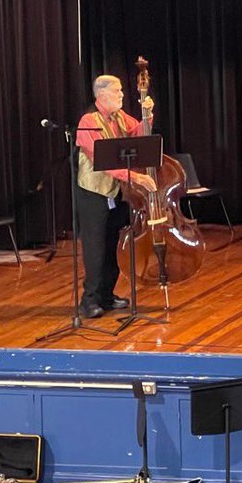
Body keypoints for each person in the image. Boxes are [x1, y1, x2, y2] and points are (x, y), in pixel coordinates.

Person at [74, 75, 157, 319]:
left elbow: (137, 133)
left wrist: (147, 116)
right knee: (95, 247)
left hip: (116, 192)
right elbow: (101, 160)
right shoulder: (88, 122)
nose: (123, 95)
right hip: (94, 193)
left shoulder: (119, 117)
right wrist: (136, 177)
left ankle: (107, 295)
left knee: (112, 243)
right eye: (118, 91)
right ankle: (89, 300)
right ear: (102, 95)